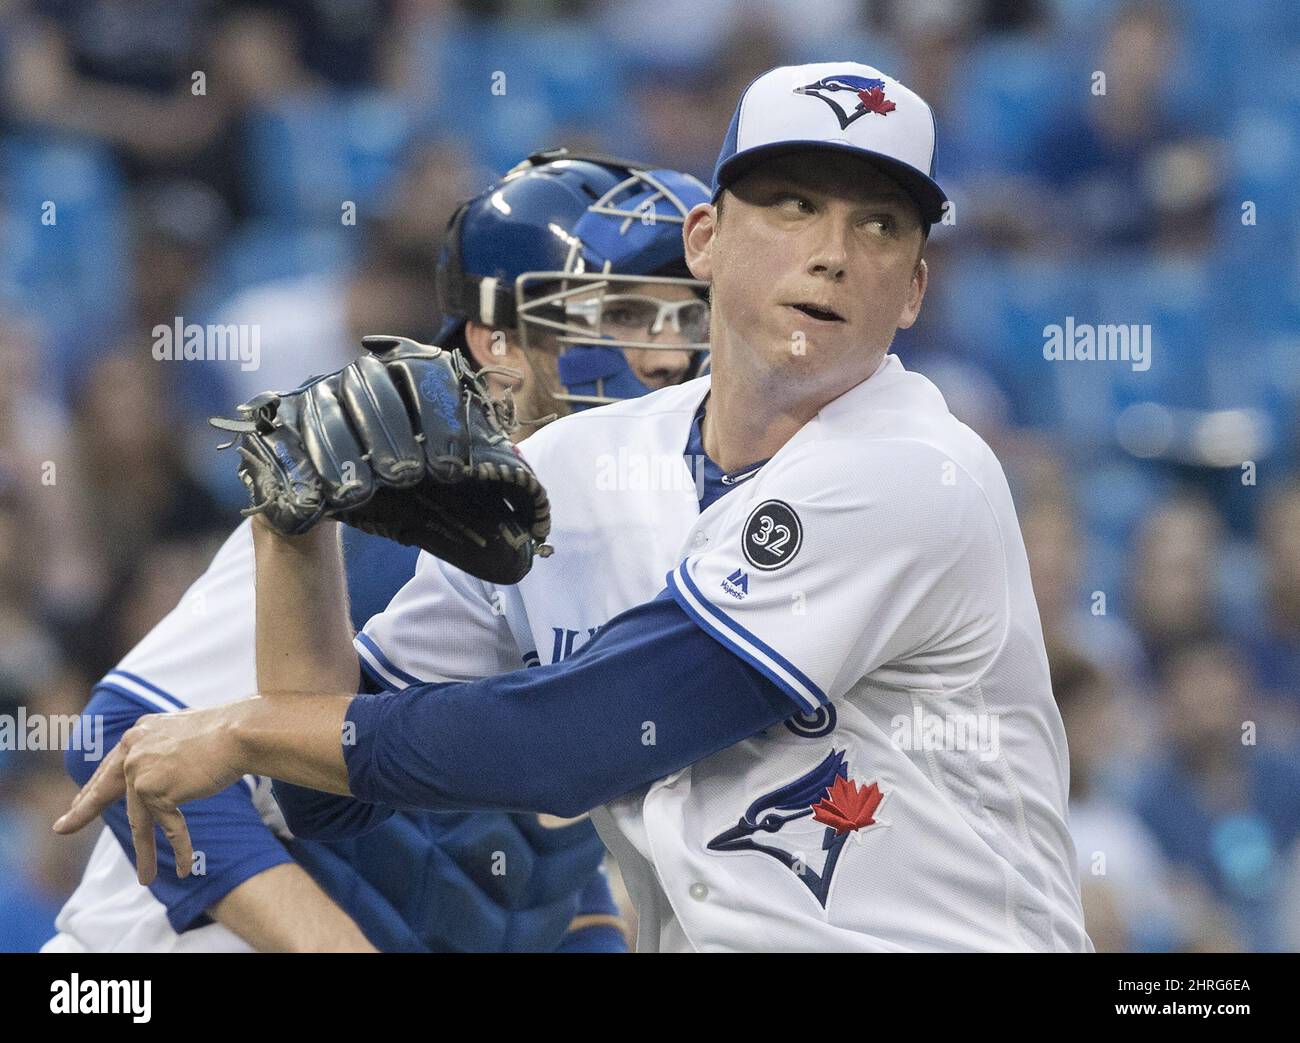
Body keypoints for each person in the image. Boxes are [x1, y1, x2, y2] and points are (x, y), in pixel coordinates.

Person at [57, 63, 1092, 952]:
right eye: (789, 204)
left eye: (878, 223)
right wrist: (293, 534)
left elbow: (579, 739)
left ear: (913, 289)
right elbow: (332, 784)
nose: (831, 251)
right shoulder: (575, 467)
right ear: (706, 241)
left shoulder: (916, 468)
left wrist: (242, 732)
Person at [45, 151, 711, 952]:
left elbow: (540, 863)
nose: (669, 356)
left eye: (686, 318)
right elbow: (122, 734)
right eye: (624, 315)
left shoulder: (652, 540)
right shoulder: (392, 505)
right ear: (497, 342)